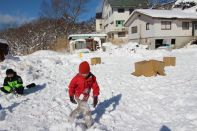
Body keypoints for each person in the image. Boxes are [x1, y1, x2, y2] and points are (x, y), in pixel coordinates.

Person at [68, 61, 100, 128]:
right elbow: (71, 86)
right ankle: (90, 125)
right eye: (82, 73)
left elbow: (95, 87)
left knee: (80, 108)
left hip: (85, 97)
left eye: (86, 73)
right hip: (78, 96)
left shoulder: (92, 78)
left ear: (89, 71)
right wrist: (71, 96)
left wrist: (95, 97)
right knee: (86, 110)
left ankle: (71, 116)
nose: (84, 75)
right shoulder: (77, 78)